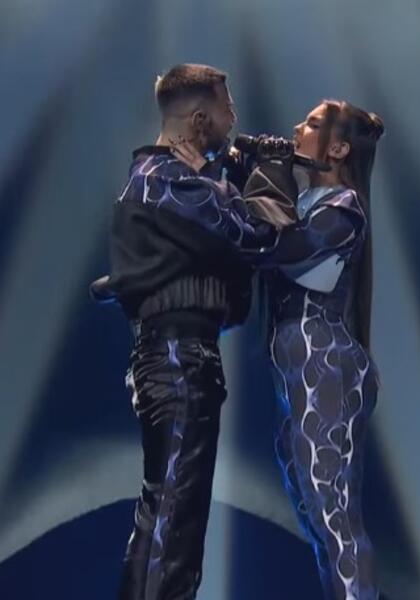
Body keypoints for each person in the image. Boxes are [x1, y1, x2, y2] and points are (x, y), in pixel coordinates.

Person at [93, 63, 295, 600]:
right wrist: (268, 171)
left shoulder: (169, 180)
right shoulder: (171, 181)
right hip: (179, 359)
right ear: (200, 119)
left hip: (174, 356)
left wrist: (221, 179)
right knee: (174, 523)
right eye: (228, 109)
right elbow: (261, 236)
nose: (235, 119)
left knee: (165, 514)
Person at [174, 99, 385, 599]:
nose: (296, 127)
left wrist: (268, 174)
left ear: (339, 148)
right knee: (314, 514)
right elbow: (254, 233)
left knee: (333, 512)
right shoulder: (309, 201)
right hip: (295, 370)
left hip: (324, 361)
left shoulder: (343, 208)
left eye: (312, 123)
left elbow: (280, 246)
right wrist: (241, 171)